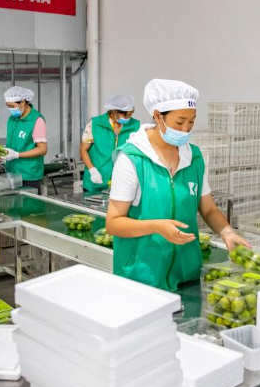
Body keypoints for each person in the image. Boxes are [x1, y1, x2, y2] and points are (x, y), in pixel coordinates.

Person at [105, 79, 250, 292]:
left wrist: (227, 232)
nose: (186, 129)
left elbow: (208, 209)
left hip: (186, 274)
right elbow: (114, 223)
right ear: (157, 116)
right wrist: (156, 226)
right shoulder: (132, 159)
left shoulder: (193, 157)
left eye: (191, 122)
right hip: (142, 277)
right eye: (179, 122)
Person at [0, 86, 47, 190]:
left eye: (12, 106)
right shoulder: (12, 120)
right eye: (8, 106)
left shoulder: (36, 120)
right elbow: (13, 146)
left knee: (27, 205)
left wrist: (17, 155)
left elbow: (42, 149)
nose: (10, 109)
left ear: (22, 102)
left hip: (28, 176)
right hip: (12, 173)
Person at [80, 93, 140, 193]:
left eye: (130, 114)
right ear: (114, 111)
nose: (128, 118)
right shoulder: (95, 124)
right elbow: (83, 150)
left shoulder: (135, 126)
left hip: (122, 182)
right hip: (96, 180)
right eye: (126, 115)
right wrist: (92, 170)